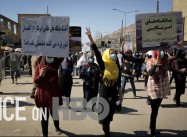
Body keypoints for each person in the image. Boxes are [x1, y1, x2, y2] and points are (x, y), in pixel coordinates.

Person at [85, 27, 123, 137]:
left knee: (111, 113)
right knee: (104, 115)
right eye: (111, 53)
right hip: (104, 94)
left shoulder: (116, 66)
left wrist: (120, 95)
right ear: (107, 54)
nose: (113, 55)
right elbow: (96, 51)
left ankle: (106, 126)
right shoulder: (103, 65)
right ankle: (106, 132)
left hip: (114, 94)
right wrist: (90, 37)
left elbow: (119, 81)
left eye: (114, 54)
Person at [34, 56, 63, 137]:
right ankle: (45, 134)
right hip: (43, 95)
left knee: (54, 113)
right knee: (44, 116)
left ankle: (57, 127)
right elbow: (35, 80)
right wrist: (40, 75)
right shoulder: (39, 66)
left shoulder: (56, 64)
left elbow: (62, 55)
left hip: (54, 93)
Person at [146, 50, 170, 137]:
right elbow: (150, 72)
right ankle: (152, 132)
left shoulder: (165, 61)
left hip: (162, 87)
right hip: (154, 88)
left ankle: (152, 126)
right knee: (154, 111)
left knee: (156, 110)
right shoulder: (150, 61)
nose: (161, 56)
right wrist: (156, 63)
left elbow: (172, 60)